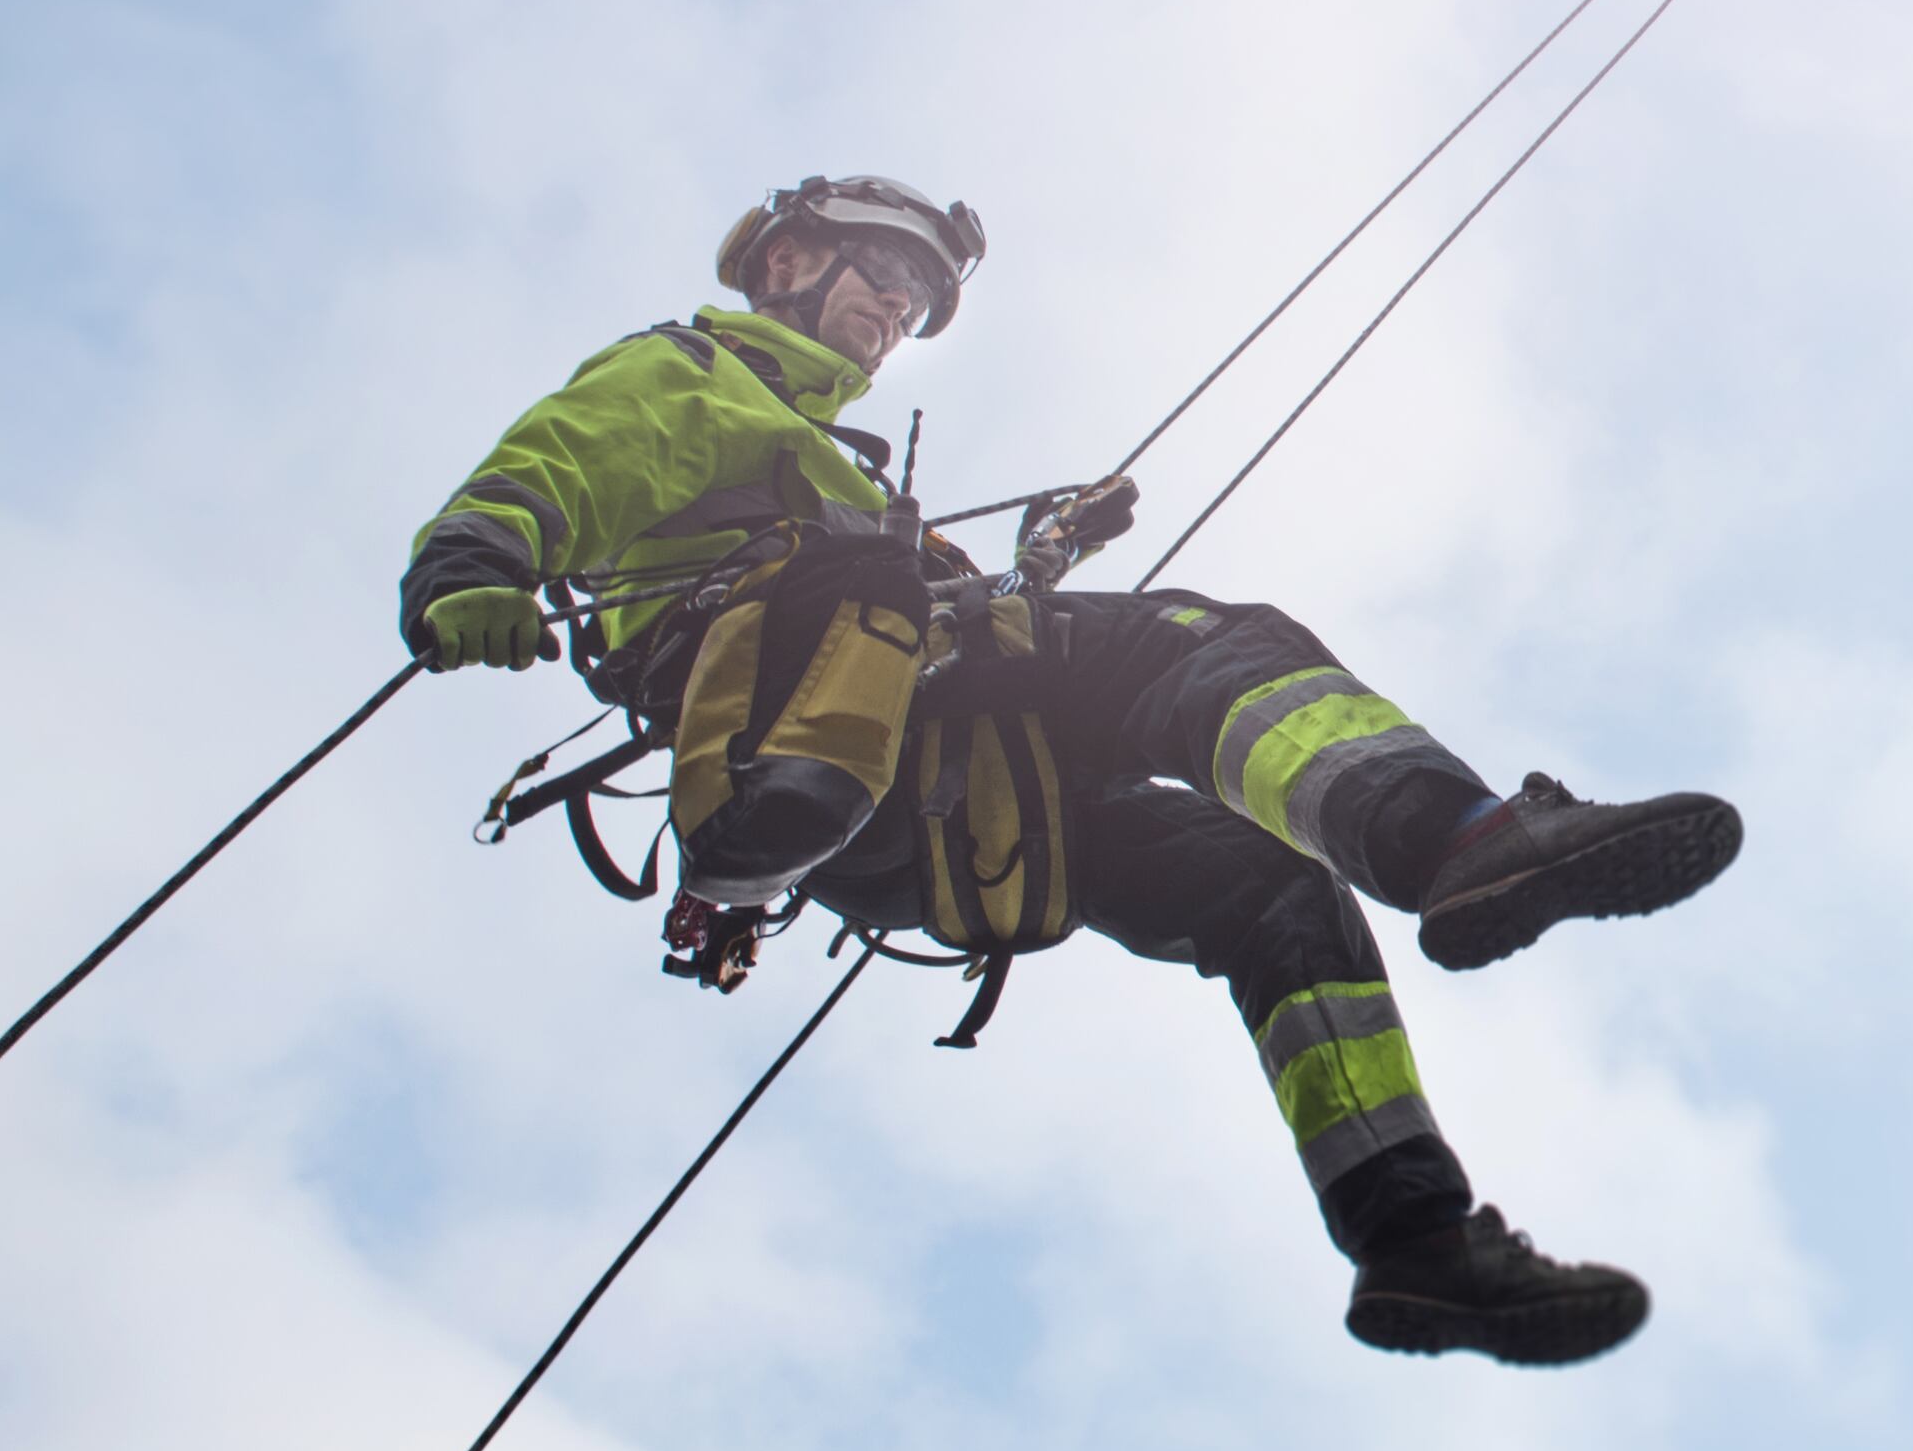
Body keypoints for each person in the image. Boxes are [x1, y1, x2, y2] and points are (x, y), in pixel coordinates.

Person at [393, 172, 1738, 1367]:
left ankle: (1415, 1238)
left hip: (902, 792)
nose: (900, 308)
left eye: (920, 298)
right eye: (886, 272)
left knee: (1269, 892)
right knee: (1205, 651)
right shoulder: (701, 376)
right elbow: (569, 457)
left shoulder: (832, 467)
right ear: (791, 262)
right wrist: (476, 560)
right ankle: (1456, 841)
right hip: (817, 722)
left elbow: (924, 624)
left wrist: (1037, 566)